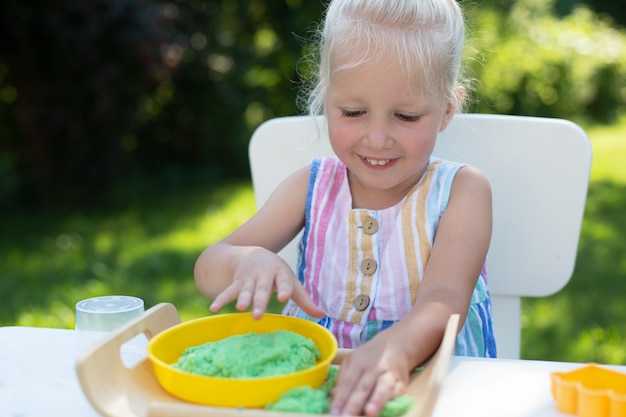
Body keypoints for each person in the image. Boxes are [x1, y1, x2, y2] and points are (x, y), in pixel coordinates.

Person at [194, 0, 496, 415]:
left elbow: (444, 301)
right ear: (326, 94)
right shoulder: (312, 185)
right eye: (353, 112)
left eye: (406, 117)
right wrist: (246, 261)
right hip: (311, 387)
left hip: (425, 387)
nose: (377, 138)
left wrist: (395, 351)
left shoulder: (462, 191)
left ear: (446, 109)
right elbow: (209, 266)